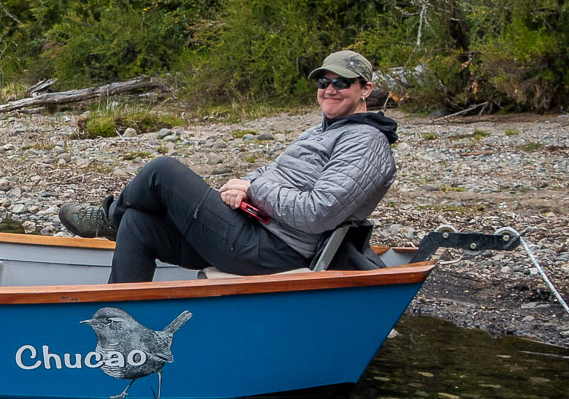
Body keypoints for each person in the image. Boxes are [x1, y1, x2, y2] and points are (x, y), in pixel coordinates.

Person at [56, 50, 397, 282]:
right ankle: (120, 326)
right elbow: (271, 174)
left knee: (163, 171)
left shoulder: (366, 141)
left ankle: (106, 217)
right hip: (250, 226)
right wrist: (242, 187)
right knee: (139, 222)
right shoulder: (321, 130)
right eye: (324, 82)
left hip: (273, 248)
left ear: (366, 88)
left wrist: (254, 189)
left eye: (342, 82)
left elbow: (318, 213)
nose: (330, 89)